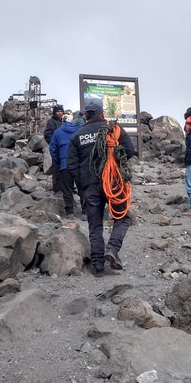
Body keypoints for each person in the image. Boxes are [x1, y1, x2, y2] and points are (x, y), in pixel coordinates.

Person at [67, 99, 135, 277]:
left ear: (86, 116)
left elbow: (72, 166)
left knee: (95, 224)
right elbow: (129, 150)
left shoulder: (77, 136)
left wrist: (82, 186)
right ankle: (112, 248)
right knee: (122, 217)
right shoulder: (114, 130)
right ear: (102, 113)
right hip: (113, 183)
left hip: (90, 186)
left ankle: (98, 265)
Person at [49, 118, 80, 217]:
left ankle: (70, 212)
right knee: (82, 188)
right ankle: (85, 212)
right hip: (79, 164)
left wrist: (58, 161)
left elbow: (52, 148)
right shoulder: (81, 130)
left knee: (67, 189)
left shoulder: (57, 132)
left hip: (64, 164)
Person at [44, 104, 64, 193]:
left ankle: (63, 187)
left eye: (61, 111)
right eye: (58, 111)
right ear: (54, 113)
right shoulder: (51, 122)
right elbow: (47, 135)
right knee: (56, 168)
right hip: (57, 149)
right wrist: (54, 144)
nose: (60, 113)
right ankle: (57, 188)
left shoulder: (62, 122)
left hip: (63, 149)